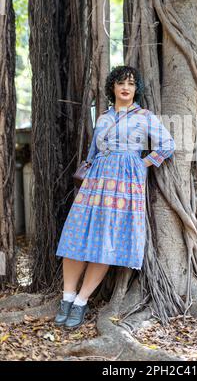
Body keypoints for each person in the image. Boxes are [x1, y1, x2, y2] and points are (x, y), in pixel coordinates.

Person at [54, 65, 176, 329]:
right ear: (112, 87)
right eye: (121, 82)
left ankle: (81, 301)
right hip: (96, 181)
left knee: (106, 239)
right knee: (76, 234)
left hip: (125, 184)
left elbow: (168, 144)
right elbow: (92, 152)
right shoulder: (104, 118)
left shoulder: (144, 117)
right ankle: (67, 297)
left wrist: (143, 164)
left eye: (131, 84)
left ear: (136, 89)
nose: (126, 87)